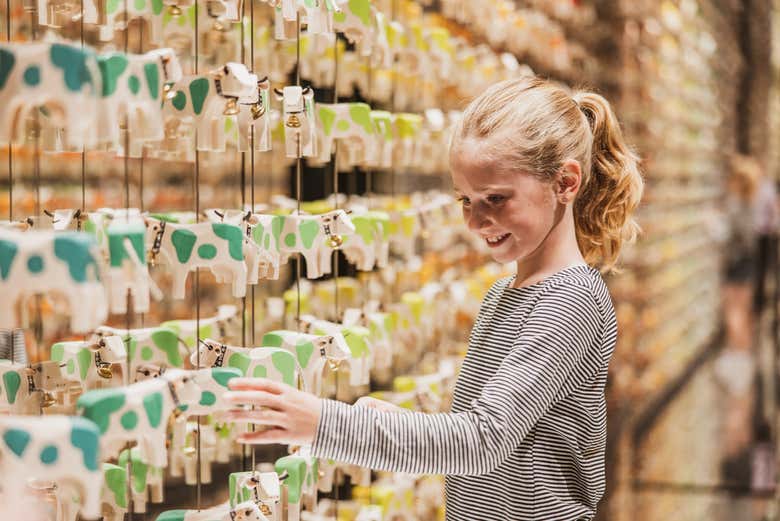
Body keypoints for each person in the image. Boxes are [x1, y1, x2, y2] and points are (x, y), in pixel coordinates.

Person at [223, 76, 643, 521]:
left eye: (495, 199)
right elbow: (496, 430)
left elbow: (480, 441)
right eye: (465, 200)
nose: (476, 220)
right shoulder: (506, 293)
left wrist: (327, 424)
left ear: (565, 183)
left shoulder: (570, 302)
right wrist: (393, 421)